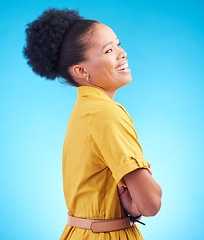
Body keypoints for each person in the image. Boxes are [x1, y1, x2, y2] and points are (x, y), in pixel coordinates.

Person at [23, 8, 162, 240]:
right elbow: (151, 204)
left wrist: (130, 206)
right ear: (81, 71)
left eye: (118, 44)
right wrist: (146, 185)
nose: (123, 53)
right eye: (109, 50)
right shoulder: (107, 113)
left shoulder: (82, 111)